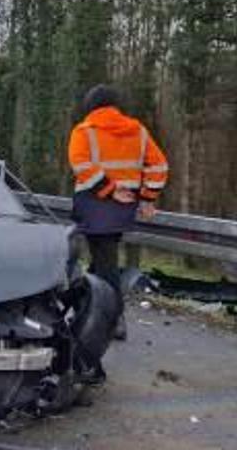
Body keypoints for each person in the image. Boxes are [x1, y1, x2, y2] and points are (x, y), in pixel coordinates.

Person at [67, 84, 168, 375]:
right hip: (123, 207)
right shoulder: (137, 131)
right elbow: (159, 166)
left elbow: (80, 165)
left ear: (91, 105)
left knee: (105, 261)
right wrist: (147, 198)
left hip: (94, 203)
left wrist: (108, 190)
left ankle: (113, 319)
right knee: (101, 260)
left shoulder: (84, 131)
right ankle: (94, 309)